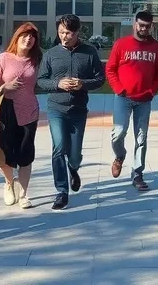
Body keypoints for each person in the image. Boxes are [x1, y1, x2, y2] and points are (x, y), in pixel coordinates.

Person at [38, 14, 105, 210]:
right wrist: (57, 84)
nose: (64, 36)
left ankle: (73, 168)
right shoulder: (51, 54)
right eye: (61, 32)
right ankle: (61, 191)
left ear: (77, 33)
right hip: (56, 109)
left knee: (74, 155)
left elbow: (100, 79)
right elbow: (41, 80)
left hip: (78, 110)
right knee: (59, 148)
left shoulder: (89, 52)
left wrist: (83, 83)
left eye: (68, 33)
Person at [106, 10, 158, 191]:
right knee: (119, 132)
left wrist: (152, 92)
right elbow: (110, 69)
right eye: (141, 25)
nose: (143, 29)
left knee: (141, 137)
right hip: (123, 97)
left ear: (151, 26)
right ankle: (120, 156)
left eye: (147, 26)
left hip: (144, 100)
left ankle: (138, 173)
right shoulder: (121, 44)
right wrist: (119, 89)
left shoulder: (156, 48)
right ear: (134, 24)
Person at [0, 23, 42, 209]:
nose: (28, 39)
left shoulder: (36, 59)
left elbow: (43, 81)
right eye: (25, 35)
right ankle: (8, 183)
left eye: (32, 37)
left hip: (29, 111)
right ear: (17, 37)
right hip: (6, 111)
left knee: (25, 154)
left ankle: (23, 194)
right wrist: (4, 88)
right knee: (5, 152)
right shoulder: (3, 58)